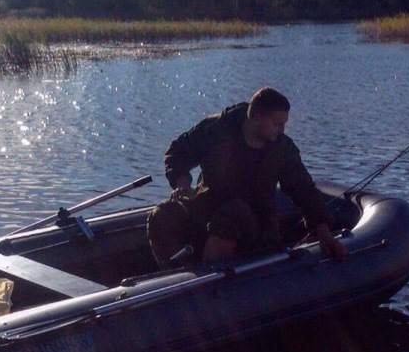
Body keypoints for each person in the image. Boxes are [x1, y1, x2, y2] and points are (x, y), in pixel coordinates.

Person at [147, 86, 347, 266]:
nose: (282, 130)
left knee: (234, 213)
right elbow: (177, 152)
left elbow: (304, 190)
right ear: (257, 117)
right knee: (162, 213)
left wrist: (324, 233)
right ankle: (173, 274)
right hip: (209, 207)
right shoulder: (216, 130)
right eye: (277, 124)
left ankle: (209, 278)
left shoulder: (282, 149)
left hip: (257, 224)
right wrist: (182, 181)